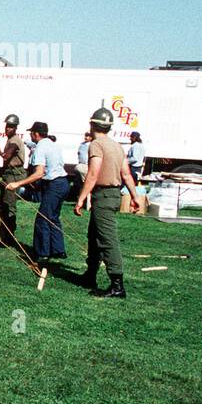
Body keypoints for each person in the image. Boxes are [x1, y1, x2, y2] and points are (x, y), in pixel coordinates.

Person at [74, 107, 137, 298]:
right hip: (113, 195)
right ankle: (90, 275)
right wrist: (134, 196)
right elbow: (126, 174)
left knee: (106, 239)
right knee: (94, 235)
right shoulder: (117, 146)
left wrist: (81, 198)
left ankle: (117, 285)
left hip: (103, 195)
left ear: (92, 124)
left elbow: (93, 173)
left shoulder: (96, 145)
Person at [5, 122, 68, 263]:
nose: (30, 135)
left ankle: (42, 254)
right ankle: (58, 250)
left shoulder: (40, 148)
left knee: (42, 219)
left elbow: (39, 173)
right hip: (63, 183)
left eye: (31, 132)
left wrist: (18, 183)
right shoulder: (52, 144)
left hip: (54, 185)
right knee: (53, 217)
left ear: (36, 133)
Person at [0, 114, 26, 246]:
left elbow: (7, 156)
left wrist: (0, 153)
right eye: (7, 126)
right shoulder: (11, 139)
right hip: (9, 173)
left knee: (8, 205)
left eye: (11, 127)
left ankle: (9, 237)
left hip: (14, 174)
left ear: (16, 128)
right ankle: (6, 234)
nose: (8, 129)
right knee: (5, 205)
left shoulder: (14, 141)